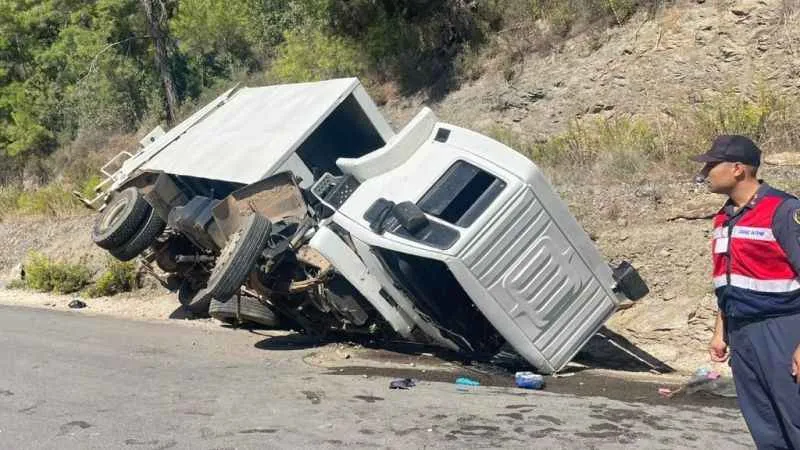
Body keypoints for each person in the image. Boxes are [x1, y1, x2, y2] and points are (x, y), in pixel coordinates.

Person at [694, 135, 800, 449]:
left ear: (738, 169)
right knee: (764, 424)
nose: (705, 172)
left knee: (795, 417)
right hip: (742, 333)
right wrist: (720, 331)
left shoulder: (784, 211)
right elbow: (727, 281)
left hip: (782, 330)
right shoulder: (723, 217)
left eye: (712, 165)